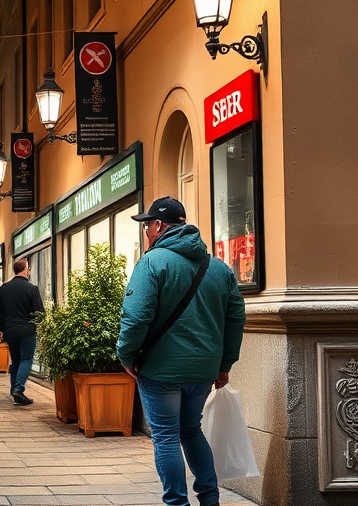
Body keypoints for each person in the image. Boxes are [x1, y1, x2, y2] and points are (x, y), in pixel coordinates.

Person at [116, 196, 246, 506]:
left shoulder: (151, 262)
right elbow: (235, 319)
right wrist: (224, 364)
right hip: (203, 370)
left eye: (148, 225)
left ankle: (177, 503)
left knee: (165, 436)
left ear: (159, 226)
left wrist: (126, 355)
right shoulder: (218, 268)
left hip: (161, 369)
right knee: (191, 430)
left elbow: (135, 318)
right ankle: (210, 499)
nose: (146, 231)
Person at [0, 259, 45, 406]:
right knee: (26, 359)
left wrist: (1, 327)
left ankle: (14, 391)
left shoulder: (4, 289)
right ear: (25, 269)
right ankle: (19, 389)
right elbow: (40, 313)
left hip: (11, 331)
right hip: (27, 331)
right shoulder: (31, 288)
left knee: (16, 360)